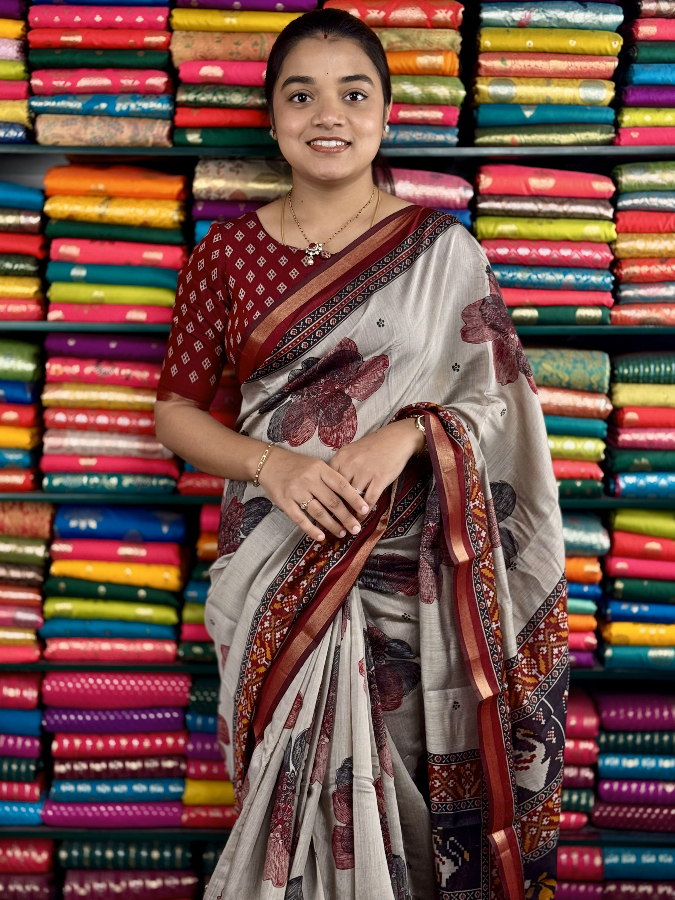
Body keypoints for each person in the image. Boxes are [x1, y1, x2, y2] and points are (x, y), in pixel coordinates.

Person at [154, 9, 568, 900]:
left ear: (384, 114)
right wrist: (273, 466)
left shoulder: (443, 251)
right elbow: (176, 413)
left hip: (414, 577)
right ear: (272, 117)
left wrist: (410, 431)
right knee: (291, 794)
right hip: (276, 560)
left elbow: (499, 399)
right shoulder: (226, 253)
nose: (328, 116)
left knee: (409, 802)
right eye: (301, 96)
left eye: (353, 94)